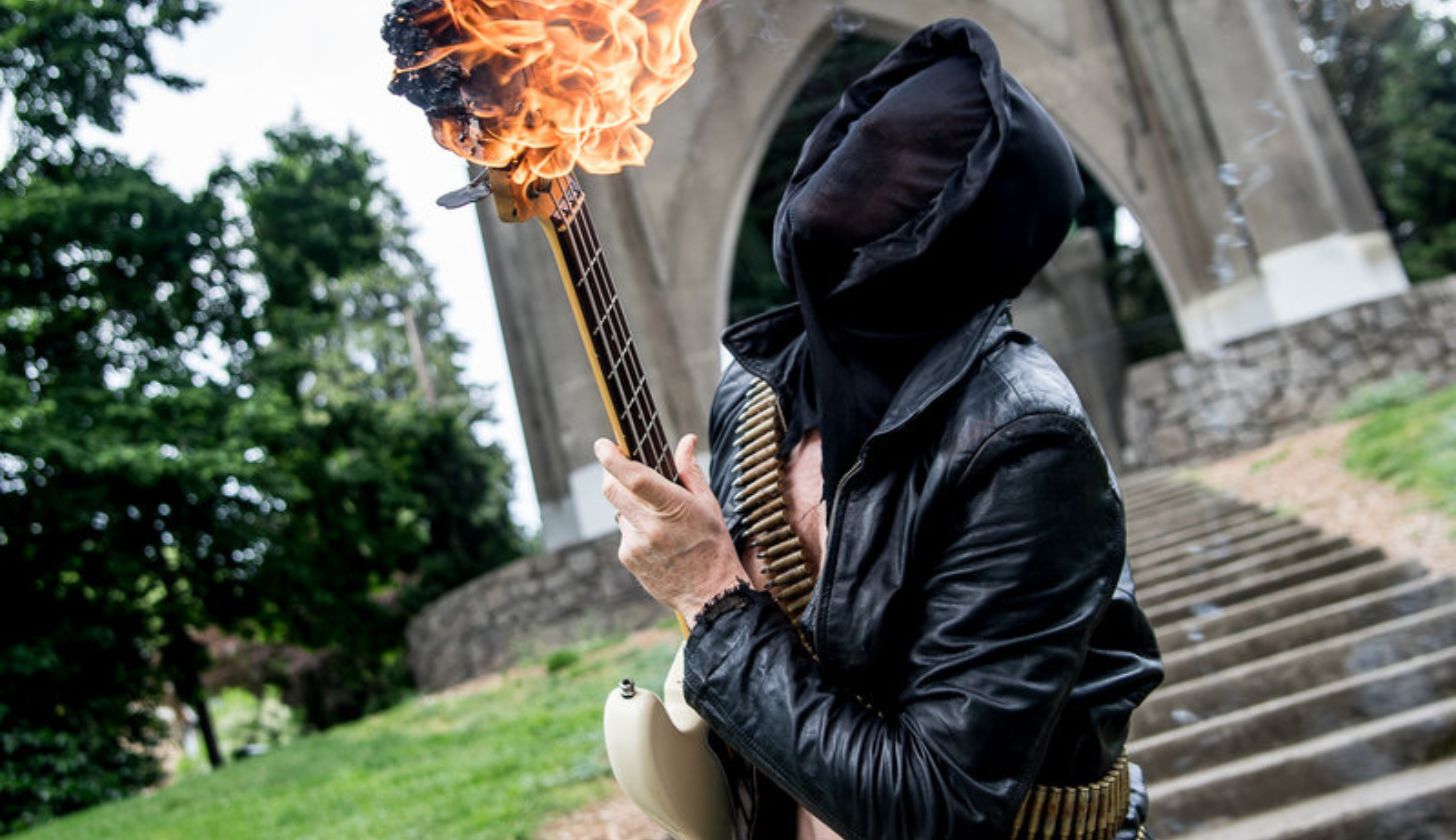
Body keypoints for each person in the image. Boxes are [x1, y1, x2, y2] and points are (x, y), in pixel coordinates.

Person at [594, 18, 1164, 840]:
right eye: (864, 137)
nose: (854, 163)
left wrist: (710, 588)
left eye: (908, 157)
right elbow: (771, 675)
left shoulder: (1025, 444)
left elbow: (938, 811)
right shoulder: (758, 392)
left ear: (965, 222)